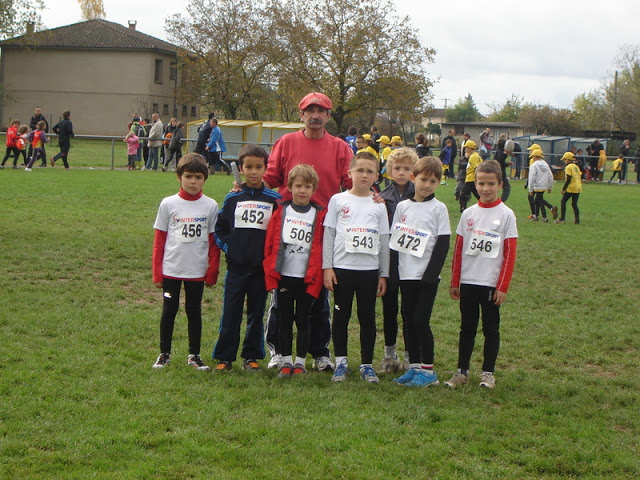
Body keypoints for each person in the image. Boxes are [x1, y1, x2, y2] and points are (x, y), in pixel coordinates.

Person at [262, 92, 353, 372]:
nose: (315, 115)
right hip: (289, 228)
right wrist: (246, 191)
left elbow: (351, 184)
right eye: (309, 110)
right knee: (282, 296)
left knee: (320, 294)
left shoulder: (339, 147)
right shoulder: (286, 143)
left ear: (328, 116)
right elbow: (270, 179)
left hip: (325, 228)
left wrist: (372, 197)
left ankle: (319, 350)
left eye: (321, 111)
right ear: (300, 115)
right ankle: (279, 350)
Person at [445, 160, 518, 389]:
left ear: (500, 185)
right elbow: (458, 250)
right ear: (475, 184)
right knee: (467, 327)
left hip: (490, 283)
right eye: (481, 183)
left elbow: (509, 253)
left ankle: (488, 373)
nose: (485, 188)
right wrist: (455, 280)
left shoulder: (506, 215)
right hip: (468, 281)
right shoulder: (468, 214)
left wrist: (502, 286)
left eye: (491, 184)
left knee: (490, 328)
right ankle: (462, 371)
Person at [213, 144, 281, 371]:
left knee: (256, 313)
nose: (253, 172)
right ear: (241, 169)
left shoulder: (274, 199)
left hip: (260, 269)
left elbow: (279, 232)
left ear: (265, 168)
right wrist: (229, 248)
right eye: (249, 167)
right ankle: (225, 357)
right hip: (236, 267)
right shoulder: (232, 198)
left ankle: (251, 356)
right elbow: (220, 228)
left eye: (258, 167)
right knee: (230, 312)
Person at [323, 151, 390, 383]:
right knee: (341, 317)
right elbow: (329, 235)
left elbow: (384, 240)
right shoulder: (338, 200)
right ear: (349, 172)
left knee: (367, 318)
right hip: (342, 269)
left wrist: (384, 273)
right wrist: (327, 267)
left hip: (369, 272)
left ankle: (366, 364)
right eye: (359, 170)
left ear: (376, 176)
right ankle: (341, 362)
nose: (364, 174)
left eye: (370, 171)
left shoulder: (379, 205)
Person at [151, 153, 220, 370]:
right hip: (172, 269)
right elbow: (159, 240)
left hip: (196, 271)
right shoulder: (168, 204)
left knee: (194, 311)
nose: (193, 182)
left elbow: (213, 242)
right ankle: (164, 353)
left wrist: (212, 271)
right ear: (179, 177)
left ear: (205, 179)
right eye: (188, 176)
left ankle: (194, 355)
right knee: (169, 310)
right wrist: (157, 272)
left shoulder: (210, 206)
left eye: (198, 177)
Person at [390, 155, 450, 387]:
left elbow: (442, 245)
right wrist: (394, 272)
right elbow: (395, 241)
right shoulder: (402, 207)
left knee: (420, 320)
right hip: (405, 274)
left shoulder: (439, 209)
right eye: (424, 179)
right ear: (414, 178)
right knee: (408, 320)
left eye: (433, 181)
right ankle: (414, 367)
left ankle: (428, 370)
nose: (427, 185)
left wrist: (430, 274)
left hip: (426, 277)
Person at [263, 164, 325, 377]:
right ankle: (286, 361)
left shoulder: (319, 214)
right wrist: (271, 272)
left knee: (303, 319)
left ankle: (300, 362)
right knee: (285, 318)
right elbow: (270, 243)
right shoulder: (282, 211)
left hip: (307, 277)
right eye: (298, 186)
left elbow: (321, 245)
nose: (302, 191)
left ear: (314, 189)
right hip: (285, 276)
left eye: (307, 186)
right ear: (290, 187)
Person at [378, 147, 416, 373]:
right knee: (389, 309)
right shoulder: (382, 197)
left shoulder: (420, 195)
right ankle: (389, 356)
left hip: (412, 261)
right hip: (390, 261)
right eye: (397, 168)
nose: (402, 172)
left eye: (407, 168)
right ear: (390, 171)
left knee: (410, 310)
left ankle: (411, 356)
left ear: (414, 171)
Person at [527, 149, 557, 222]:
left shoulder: (534, 165)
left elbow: (531, 177)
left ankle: (545, 217)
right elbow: (550, 176)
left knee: (540, 201)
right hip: (544, 185)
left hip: (537, 185)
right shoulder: (546, 165)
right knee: (538, 200)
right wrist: (550, 187)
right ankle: (536, 216)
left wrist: (530, 189)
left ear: (534, 156)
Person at [555, 152, 582, 224]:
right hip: (578, 187)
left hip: (571, 187)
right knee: (574, 204)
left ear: (567, 159)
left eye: (564, 159)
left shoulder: (568, 167)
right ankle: (577, 220)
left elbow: (568, 179)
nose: (564, 161)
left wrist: (563, 189)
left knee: (563, 201)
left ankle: (562, 218)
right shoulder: (576, 166)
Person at [458, 140, 481, 212]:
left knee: (462, 195)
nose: (465, 149)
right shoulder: (477, 155)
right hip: (473, 179)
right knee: (478, 195)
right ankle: (486, 205)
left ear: (470, 148)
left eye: (466, 147)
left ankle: (463, 209)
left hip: (470, 179)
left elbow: (476, 168)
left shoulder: (472, 157)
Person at [455, 133, 470, 202]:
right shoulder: (462, 159)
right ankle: (457, 195)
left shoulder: (472, 159)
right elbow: (460, 164)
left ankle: (467, 198)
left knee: (468, 189)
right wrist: (468, 164)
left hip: (468, 177)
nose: (467, 154)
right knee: (459, 187)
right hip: (461, 176)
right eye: (466, 153)